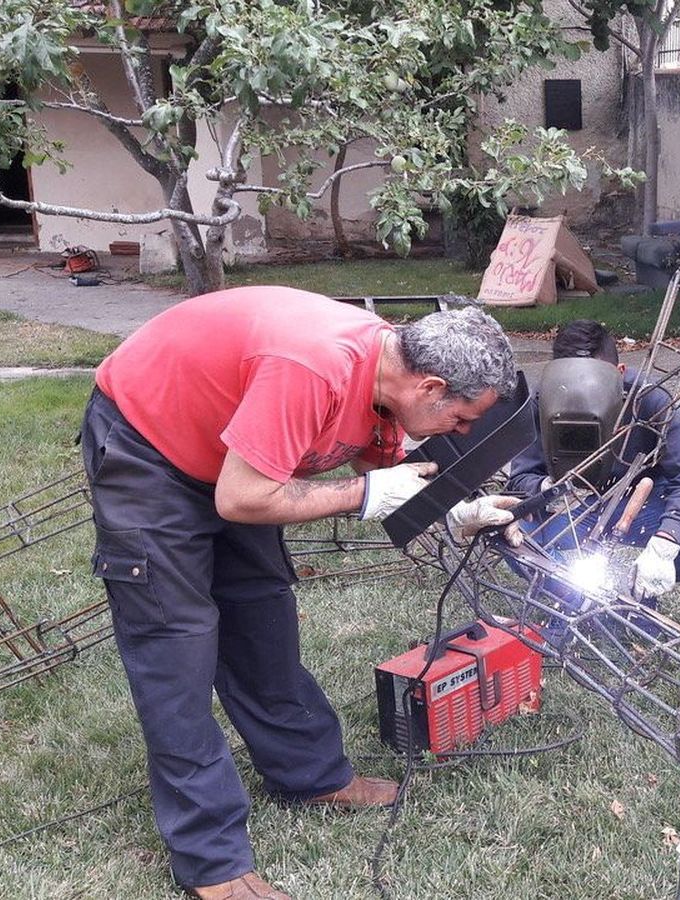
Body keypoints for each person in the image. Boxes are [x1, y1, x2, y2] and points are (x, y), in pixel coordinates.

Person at [79, 286, 520, 900]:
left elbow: (382, 479)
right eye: (462, 417)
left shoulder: (387, 386)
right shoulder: (313, 368)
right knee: (175, 650)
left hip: (239, 463)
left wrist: (455, 511)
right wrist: (358, 499)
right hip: (149, 449)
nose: (460, 431)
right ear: (430, 388)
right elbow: (242, 499)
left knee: (262, 619)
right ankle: (213, 867)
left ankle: (311, 777)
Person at [508, 319, 680, 606]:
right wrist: (548, 488)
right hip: (574, 508)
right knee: (514, 535)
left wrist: (665, 542)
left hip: (637, 506)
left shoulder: (649, 399)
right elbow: (519, 479)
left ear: (619, 373)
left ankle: (634, 592)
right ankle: (574, 598)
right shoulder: (542, 401)